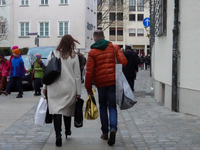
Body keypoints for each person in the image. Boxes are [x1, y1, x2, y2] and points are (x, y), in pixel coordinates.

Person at [85, 30, 127, 146]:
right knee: (112, 106)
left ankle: (105, 133)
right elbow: (123, 62)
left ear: (94, 39)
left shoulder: (92, 52)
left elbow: (89, 72)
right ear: (104, 37)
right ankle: (113, 128)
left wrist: (88, 88)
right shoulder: (114, 47)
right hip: (113, 82)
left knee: (102, 106)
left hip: (100, 83)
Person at [42, 34, 81, 147]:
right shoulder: (74, 56)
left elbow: (47, 73)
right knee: (67, 110)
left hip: (54, 87)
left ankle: (58, 135)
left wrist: (45, 88)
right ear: (71, 44)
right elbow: (77, 75)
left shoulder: (52, 54)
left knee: (56, 112)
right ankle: (67, 130)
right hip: (69, 87)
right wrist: (78, 92)